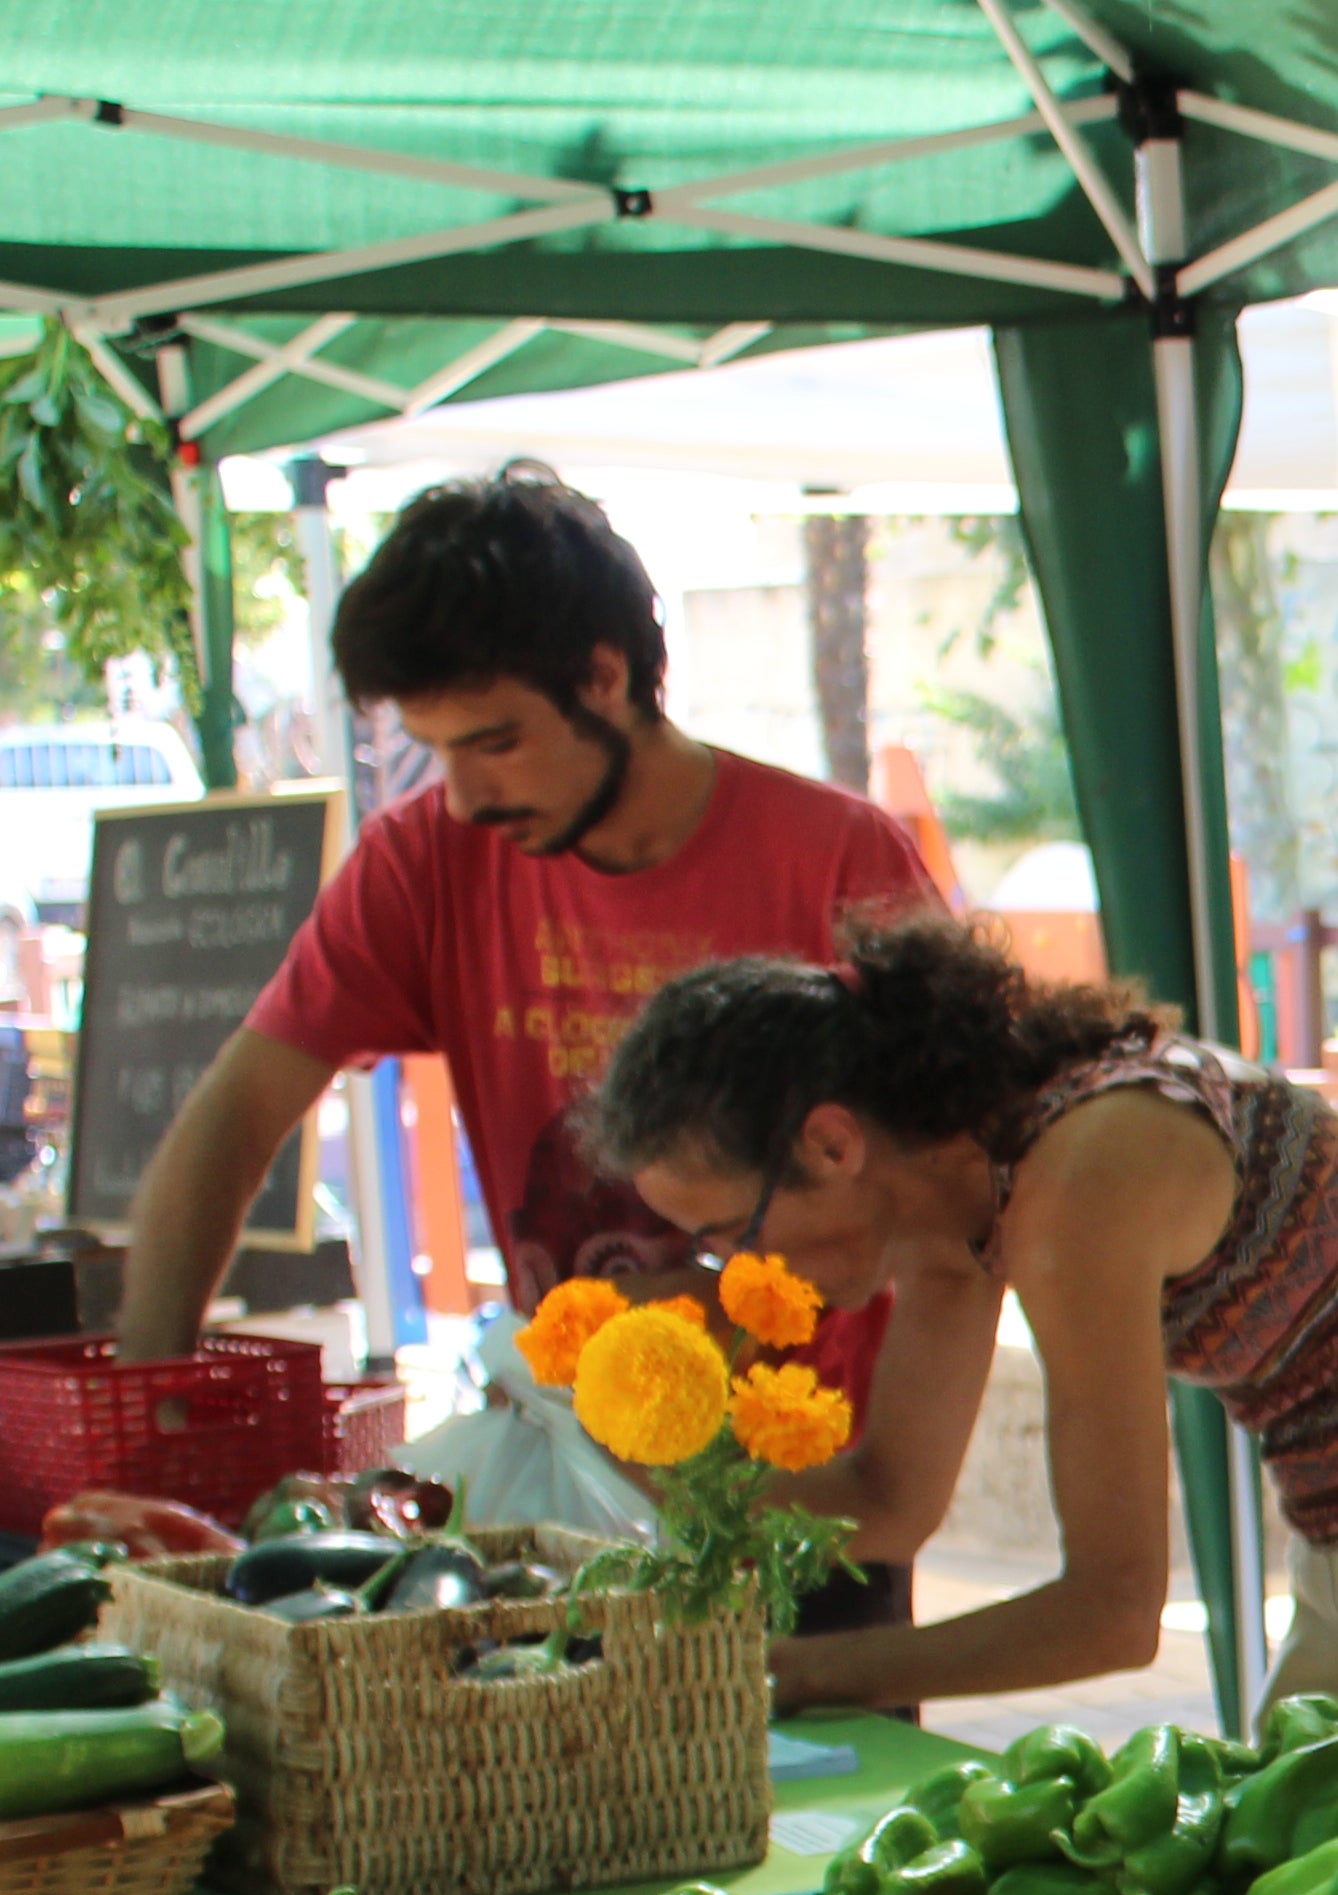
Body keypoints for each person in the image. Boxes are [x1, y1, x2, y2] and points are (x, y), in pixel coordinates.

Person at [114, 466, 954, 1625]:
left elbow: (955, 1196)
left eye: (495, 742)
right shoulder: (422, 863)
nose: (460, 796)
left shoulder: (838, 861)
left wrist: (710, 1296)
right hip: (546, 1503)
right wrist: (144, 1424)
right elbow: (236, 1113)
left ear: (604, 679)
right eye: (432, 749)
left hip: (805, 1509)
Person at [588, 910, 1338, 1730]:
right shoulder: (970, 1196)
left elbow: (1112, 1615)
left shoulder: (1074, 1188)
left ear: (829, 1145)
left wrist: (797, 1675)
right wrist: (628, 1447)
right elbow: (890, 1501)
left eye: (733, 1234)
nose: (736, 1277)